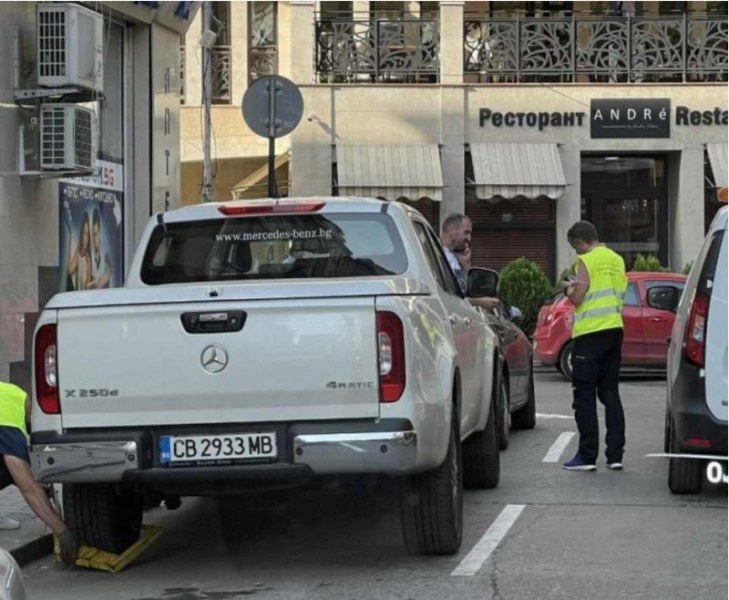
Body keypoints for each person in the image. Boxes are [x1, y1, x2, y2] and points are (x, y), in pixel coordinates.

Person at [561, 221, 628, 472]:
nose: (576, 253)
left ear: (580, 242)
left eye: (575, 247)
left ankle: (587, 455)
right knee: (610, 393)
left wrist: (568, 288)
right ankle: (615, 455)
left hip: (590, 334)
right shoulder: (616, 259)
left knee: (584, 395)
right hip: (614, 330)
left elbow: (578, 298)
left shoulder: (587, 261)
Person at [0, 380, 78, 565]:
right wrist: (62, 531)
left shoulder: (13, 393)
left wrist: (33, 481)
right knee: (18, 469)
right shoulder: (8, 423)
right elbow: (29, 490)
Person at [440, 213, 500, 311]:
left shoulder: (457, 256)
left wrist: (465, 265)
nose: (469, 238)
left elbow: (463, 291)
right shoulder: (435, 256)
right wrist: (478, 302)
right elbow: (447, 298)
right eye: (466, 233)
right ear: (452, 232)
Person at [66, 211, 92, 291]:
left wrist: (88, 266)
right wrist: (69, 239)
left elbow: (88, 285)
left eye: (87, 235)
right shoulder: (78, 253)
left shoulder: (88, 258)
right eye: (84, 234)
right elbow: (69, 270)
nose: (86, 239)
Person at [88, 208, 112, 289]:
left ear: (100, 232)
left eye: (95, 234)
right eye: (92, 235)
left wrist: (105, 278)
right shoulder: (89, 256)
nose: (94, 240)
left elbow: (110, 269)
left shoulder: (106, 253)